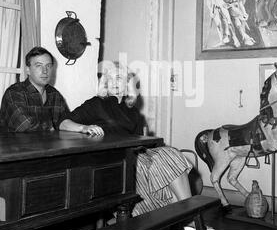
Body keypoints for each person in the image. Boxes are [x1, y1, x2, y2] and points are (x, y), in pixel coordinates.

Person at [59, 61, 193, 217]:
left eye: (119, 78)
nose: (115, 82)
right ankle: (189, 219)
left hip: (132, 157)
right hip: (110, 162)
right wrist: (83, 128)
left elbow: (139, 142)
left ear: (127, 83)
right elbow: (63, 123)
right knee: (165, 159)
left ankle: (185, 218)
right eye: (110, 79)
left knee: (170, 154)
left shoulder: (132, 111)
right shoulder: (96, 103)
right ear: (105, 83)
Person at [0, 46, 69, 132]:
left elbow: (65, 120)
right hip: (19, 145)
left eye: (48, 66)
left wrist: (82, 127)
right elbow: (23, 125)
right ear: (28, 70)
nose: (45, 71)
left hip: (50, 145)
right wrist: (52, 126)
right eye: (39, 66)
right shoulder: (14, 92)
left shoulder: (54, 94)